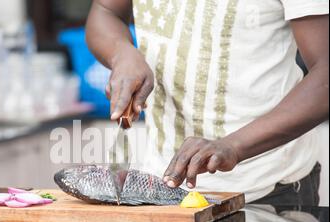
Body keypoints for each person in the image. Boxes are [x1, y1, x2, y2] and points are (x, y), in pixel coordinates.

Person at [85, 0, 329, 205]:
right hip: (161, 188)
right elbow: (106, 11)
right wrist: (122, 53)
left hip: (268, 192)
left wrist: (234, 145)